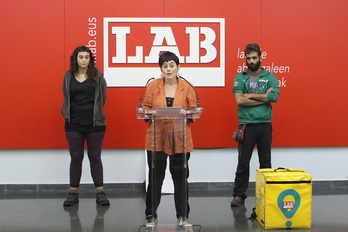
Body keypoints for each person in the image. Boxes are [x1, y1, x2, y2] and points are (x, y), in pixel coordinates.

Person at [142, 51, 197, 227]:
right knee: (155, 178)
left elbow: (194, 110)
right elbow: (145, 109)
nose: (168, 69)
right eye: (165, 66)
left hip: (180, 137)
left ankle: (183, 216)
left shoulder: (187, 87)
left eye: (172, 65)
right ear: (160, 69)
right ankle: (151, 215)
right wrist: (153, 112)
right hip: (157, 137)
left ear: (178, 67)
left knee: (180, 178)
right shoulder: (153, 86)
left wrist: (186, 112)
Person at [231, 43, 279, 207]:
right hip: (246, 125)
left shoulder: (270, 76)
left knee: (265, 162)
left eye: (254, 57)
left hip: (264, 124)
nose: (251, 61)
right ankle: (238, 195)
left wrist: (249, 96)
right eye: (248, 58)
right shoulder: (240, 77)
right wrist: (262, 97)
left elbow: (274, 97)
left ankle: (266, 194)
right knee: (243, 161)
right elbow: (239, 100)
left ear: (260, 58)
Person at [61, 46, 110, 207]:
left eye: (86, 57)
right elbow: (66, 95)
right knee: (76, 157)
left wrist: (95, 113)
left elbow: (103, 97)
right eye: (80, 57)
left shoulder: (98, 77)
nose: (83, 60)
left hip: (95, 124)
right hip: (73, 123)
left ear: (90, 60)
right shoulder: (68, 77)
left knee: (95, 157)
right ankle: (73, 193)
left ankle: (100, 193)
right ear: (75, 59)